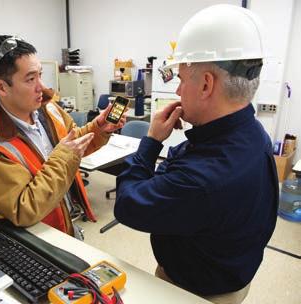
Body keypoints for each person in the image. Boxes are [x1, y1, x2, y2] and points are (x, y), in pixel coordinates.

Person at [114, 5, 278, 304]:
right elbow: (183, 163)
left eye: (181, 79)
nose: (177, 91)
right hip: (231, 271)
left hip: (194, 292)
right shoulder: (252, 133)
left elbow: (126, 204)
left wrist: (151, 142)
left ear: (205, 84)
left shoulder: (203, 178)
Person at [0, 35, 125, 238]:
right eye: (30, 79)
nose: (41, 87)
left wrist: (99, 128)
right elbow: (24, 210)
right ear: (0, 87)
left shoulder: (48, 109)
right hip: (42, 241)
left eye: (40, 75)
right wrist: (63, 158)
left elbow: (73, 144)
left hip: (67, 224)